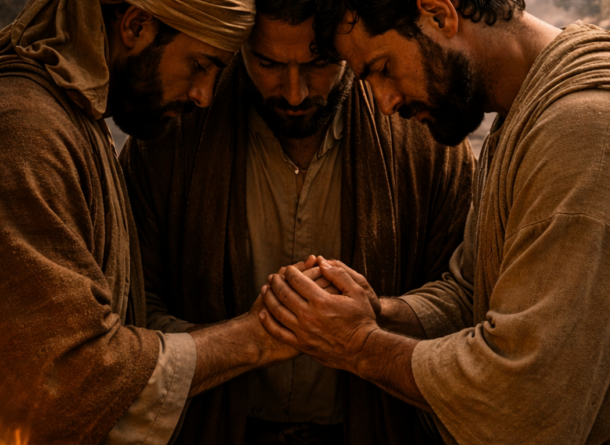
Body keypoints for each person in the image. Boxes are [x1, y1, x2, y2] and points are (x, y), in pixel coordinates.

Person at [259, 0, 610, 443]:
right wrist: (379, 314)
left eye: (383, 68)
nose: (386, 104)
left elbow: (525, 404)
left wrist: (359, 346)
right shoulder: (531, 111)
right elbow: (474, 295)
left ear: (438, 13)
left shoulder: (588, 136)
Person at [0, 0, 307, 443]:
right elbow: (70, 379)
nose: (204, 95)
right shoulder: (18, 136)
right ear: (136, 25)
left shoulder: (59, 118)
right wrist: (252, 338)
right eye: (200, 65)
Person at [118, 0, 474, 442]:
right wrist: (244, 341)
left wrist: (376, 318)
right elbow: (133, 306)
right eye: (267, 63)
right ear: (239, 44)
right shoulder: (171, 132)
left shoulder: (421, 128)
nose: (294, 93)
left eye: (319, 64)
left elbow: (464, 295)